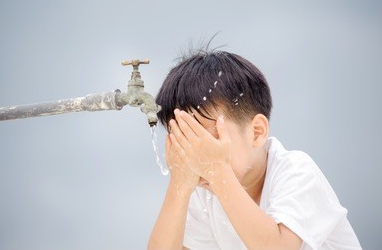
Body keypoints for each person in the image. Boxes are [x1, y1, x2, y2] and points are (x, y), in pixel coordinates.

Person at [147, 49, 361, 250]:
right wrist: (179, 186)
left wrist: (218, 169)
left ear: (257, 132)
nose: (199, 158)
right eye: (185, 143)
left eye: (207, 142)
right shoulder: (205, 192)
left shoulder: (296, 172)